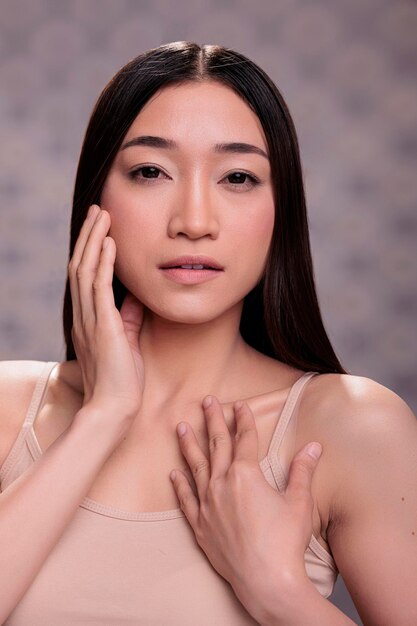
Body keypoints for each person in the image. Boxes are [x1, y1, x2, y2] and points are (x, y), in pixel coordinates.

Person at [0, 41, 415, 626]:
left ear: (282, 210)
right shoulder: (8, 409)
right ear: (97, 197)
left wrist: (277, 593)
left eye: (239, 177)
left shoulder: (351, 428)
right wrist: (103, 417)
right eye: (150, 171)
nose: (194, 221)